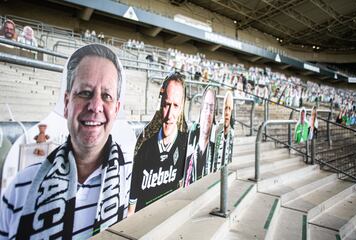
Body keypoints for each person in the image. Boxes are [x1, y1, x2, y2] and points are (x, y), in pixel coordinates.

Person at [0, 44, 132, 239]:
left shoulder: (133, 182)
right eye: (85, 92)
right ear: (66, 103)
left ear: (116, 109)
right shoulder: (20, 188)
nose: (95, 106)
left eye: (106, 96)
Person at [128, 72, 188, 214]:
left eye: (175, 106)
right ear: (161, 103)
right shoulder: (144, 148)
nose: (169, 115)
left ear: (181, 107)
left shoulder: (185, 144)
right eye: (167, 105)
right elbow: (131, 209)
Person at [184, 87, 216, 186]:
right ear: (201, 110)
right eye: (206, 107)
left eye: (211, 109)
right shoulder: (188, 148)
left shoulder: (215, 150)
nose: (208, 114)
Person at [213, 91, 235, 171]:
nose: (227, 113)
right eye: (225, 108)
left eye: (229, 109)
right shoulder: (216, 131)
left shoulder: (232, 134)